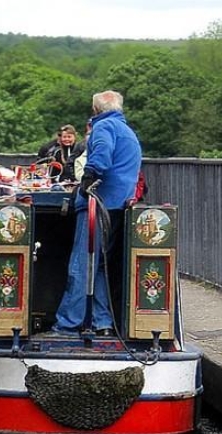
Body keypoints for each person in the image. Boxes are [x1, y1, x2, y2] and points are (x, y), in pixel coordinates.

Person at [51, 91, 142, 337]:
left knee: (82, 265)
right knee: (100, 266)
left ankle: (68, 323)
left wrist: (89, 177)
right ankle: (103, 321)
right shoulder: (128, 131)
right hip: (119, 205)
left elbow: (101, 156)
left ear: (95, 110)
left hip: (98, 204)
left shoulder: (104, 128)